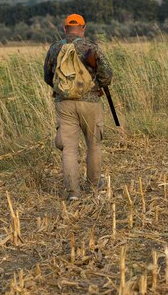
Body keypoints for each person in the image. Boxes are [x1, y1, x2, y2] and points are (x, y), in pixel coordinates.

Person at [43, 14, 113, 201]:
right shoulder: (91, 48)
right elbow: (107, 76)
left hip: (64, 104)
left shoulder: (55, 48)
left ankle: (73, 193)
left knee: (69, 149)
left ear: (65, 29)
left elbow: (48, 77)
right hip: (90, 103)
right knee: (93, 145)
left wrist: (64, 91)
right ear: (83, 28)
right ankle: (93, 186)